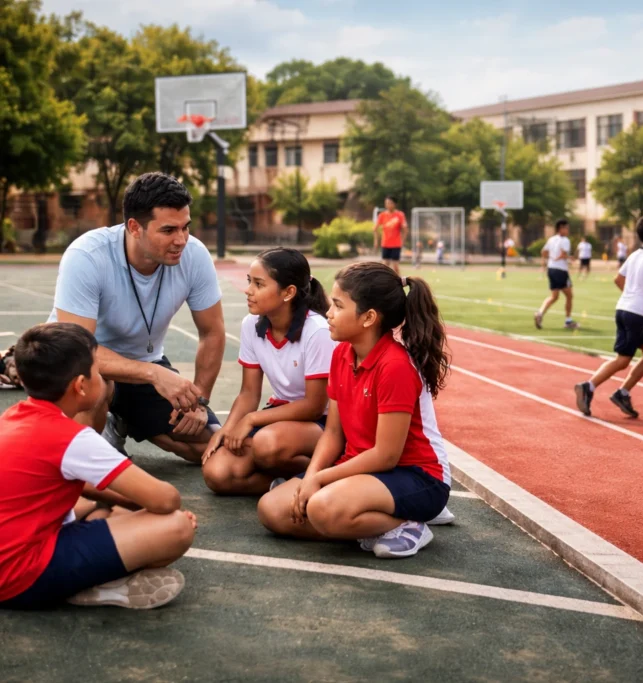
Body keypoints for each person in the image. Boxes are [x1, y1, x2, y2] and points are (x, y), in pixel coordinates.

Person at [256, 263, 453, 559]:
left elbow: (386, 455)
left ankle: (408, 524)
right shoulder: (342, 354)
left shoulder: (394, 366)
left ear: (369, 318)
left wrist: (321, 480)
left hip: (417, 476)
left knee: (321, 509)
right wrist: (312, 475)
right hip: (364, 466)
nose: (328, 314)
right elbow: (333, 433)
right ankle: (362, 525)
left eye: (338, 306)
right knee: (271, 510)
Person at [0, 323, 196, 610]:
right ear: (80, 386)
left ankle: (81, 577)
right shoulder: (72, 438)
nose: (103, 377)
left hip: (12, 555)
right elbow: (167, 499)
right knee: (175, 526)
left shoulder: (14, 415)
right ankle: (94, 587)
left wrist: (107, 503)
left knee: (107, 508)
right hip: (19, 578)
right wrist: (141, 505)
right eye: (97, 371)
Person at [49, 172, 224, 463]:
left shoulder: (194, 255)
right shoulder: (87, 255)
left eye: (185, 228)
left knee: (210, 451)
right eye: (168, 230)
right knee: (95, 395)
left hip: (145, 365)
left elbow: (212, 333)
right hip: (87, 366)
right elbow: (78, 351)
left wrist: (199, 399)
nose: (181, 240)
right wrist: (155, 375)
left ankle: (125, 418)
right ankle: (98, 433)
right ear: (134, 227)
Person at [201, 249, 336, 496]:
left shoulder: (317, 331)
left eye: (259, 284)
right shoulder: (251, 325)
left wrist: (251, 420)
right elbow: (249, 393)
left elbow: (314, 406)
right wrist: (226, 429)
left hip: (321, 423)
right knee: (217, 473)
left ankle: (326, 473)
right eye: (249, 282)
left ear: (288, 292)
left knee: (266, 445)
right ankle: (284, 484)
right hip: (278, 418)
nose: (248, 290)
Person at [574, 216, 643, 419]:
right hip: (637, 314)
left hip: (625, 309)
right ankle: (589, 386)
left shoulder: (634, 255)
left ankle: (623, 393)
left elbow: (618, 279)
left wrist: (630, 295)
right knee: (623, 360)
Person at [533, 219, 578, 331]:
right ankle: (568, 320)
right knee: (569, 295)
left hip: (551, 269)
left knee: (554, 296)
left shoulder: (551, 239)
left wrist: (550, 259)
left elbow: (543, 252)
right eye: (566, 228)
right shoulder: (565, 240)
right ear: (560, 228)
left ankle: (540, 313)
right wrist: (568, 257)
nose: (567, 230)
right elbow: (563, 254)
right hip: (560, 270)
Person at [374, 196, 407, 275]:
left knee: (395, 267)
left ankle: (399, 283)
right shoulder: (382, 215)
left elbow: (405, 229)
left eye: (390, 203)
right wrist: (376, 241)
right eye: (386, 203)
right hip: (385, 243)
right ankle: (385, 284)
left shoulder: (400, 215)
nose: (388, 205)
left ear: (394, 204)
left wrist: (403, 241)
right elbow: (375, 229)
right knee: (385, 266)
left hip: (396, 244)